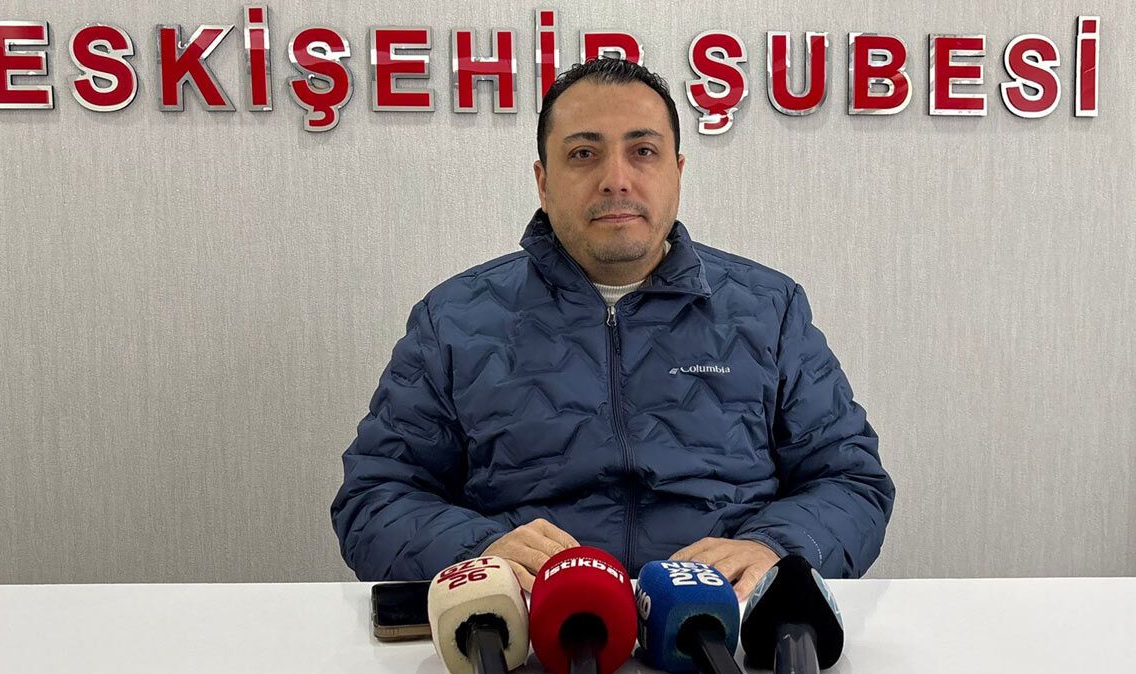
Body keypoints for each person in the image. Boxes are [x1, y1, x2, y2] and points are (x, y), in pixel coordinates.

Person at [331, 58, 895, 599]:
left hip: (727, 624)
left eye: (643, 151)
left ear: (677, 174)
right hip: (527, 631)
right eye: (584, 153)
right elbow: (375, 497)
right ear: (543, 182)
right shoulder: (453, 319)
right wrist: (476, 550)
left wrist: (774, 546)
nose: (616, 180)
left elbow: (851, 481)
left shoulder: (770, 309)